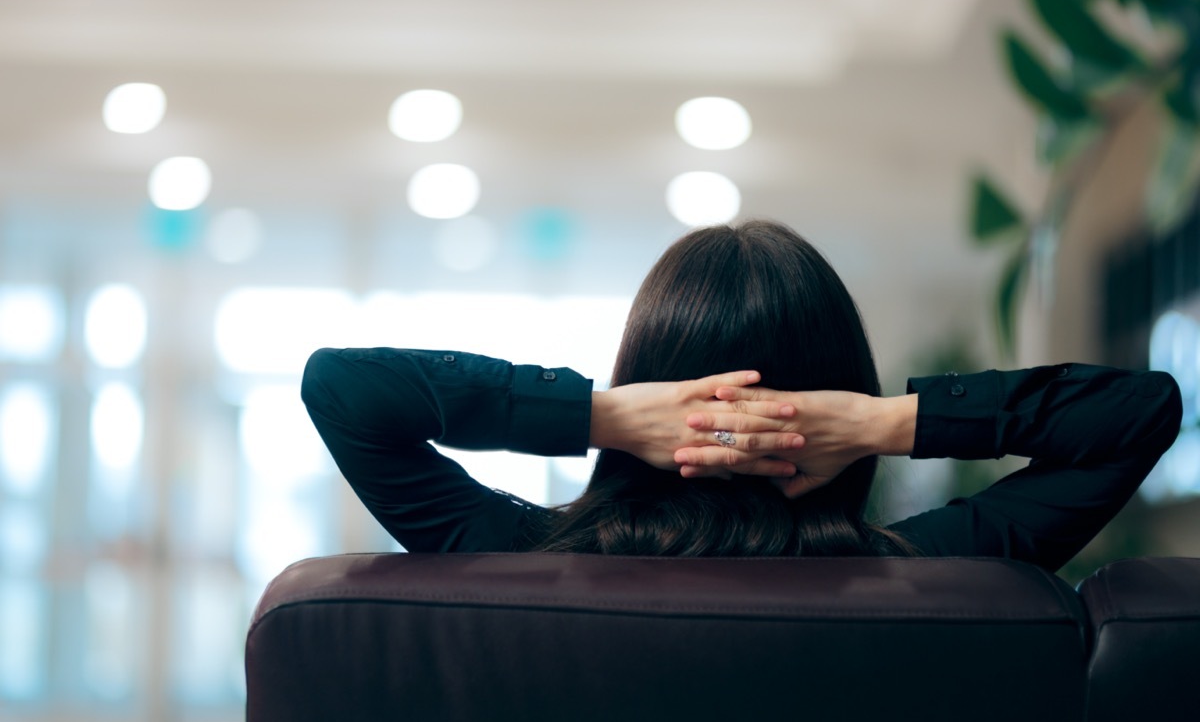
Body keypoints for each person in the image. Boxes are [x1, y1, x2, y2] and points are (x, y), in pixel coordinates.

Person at [301, 220, 1182, 572]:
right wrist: (883, 422)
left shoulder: (521, 563)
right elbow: (1138, 414)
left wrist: (603, 415)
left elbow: (342, 389)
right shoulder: (932, 574)